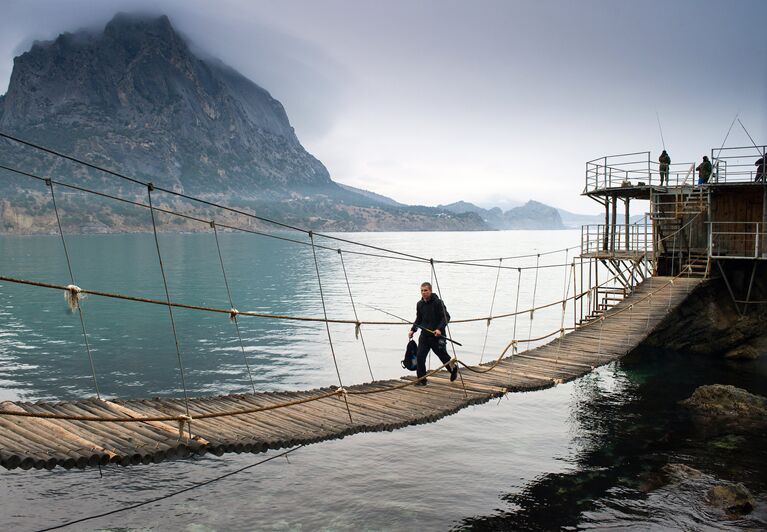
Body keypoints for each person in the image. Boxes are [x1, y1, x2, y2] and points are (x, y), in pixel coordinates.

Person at [408, 282, 458, 385]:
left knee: (443, 357)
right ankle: (422, 380)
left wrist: (439, 329)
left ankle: (453, 370)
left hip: (437, 336)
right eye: (422, 291)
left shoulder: (438, 302)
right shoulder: (419, 304)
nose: (423, 293)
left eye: (426, 290)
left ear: (430, 291)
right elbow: (419, 319)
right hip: (425, 336)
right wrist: (413, 330)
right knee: (420, 357)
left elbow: (446, 317)